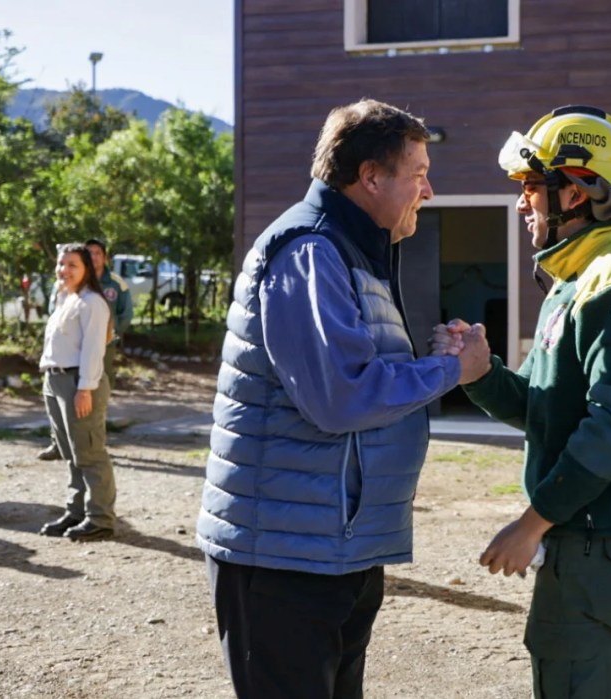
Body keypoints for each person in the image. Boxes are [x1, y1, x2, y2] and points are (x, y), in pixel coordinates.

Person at [196, 98, 471, 699]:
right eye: (419, 174)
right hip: (283, 561)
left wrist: (434, 357)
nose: (429, 191)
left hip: (328, 551)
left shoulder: (347, 252)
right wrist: (448, 371)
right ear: (370, 177)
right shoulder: (309, 251)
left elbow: (356, 371)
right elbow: (341, 398)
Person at [431, 105, 611, 698]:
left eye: (530, 188)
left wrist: (531, 523)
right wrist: (479, 373)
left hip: (605, 533)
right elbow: (544, 406)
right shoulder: (573, 279)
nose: (522, 203)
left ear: (575, 193)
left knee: (571, 680)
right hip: (593, 528)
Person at [38, 242, 117, 542]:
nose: (64, 270)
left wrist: (85, 388)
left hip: (79, 383)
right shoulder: (64, 298)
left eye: (73, 265)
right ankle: (77, 511)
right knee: (71, 453)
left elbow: (93, 350)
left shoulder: (92, 302)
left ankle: (100, 518)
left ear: (87, 269)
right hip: (56, 380)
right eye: (61, 264)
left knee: (89, 451)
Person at [37, 238, 132, 461]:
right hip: (63, 363)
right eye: (62, 264)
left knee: (90, 402)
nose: (65, 270)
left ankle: (92, 440)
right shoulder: (64, 289)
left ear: (103, 258)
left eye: (98, 253)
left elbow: (125, 314)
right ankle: (58, 443)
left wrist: (110, 334)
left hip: (101, 346)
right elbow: (55, 315)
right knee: (64, 419)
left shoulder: (111, 286)